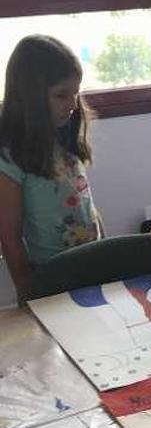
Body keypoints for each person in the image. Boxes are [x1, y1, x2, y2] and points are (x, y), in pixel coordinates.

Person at [0, 35, 101, 303]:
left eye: (76, 93)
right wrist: (26, 292)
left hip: (94, 266)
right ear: (29, 97)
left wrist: (106, 252)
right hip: (52, 278)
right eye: (61, 95)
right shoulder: (10, 157)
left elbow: (88, 203)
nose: (72, 104)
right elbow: (10, 237)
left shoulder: (65, 135)